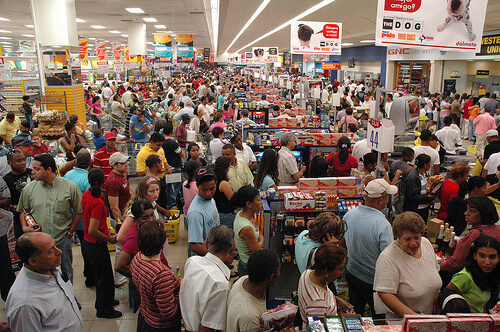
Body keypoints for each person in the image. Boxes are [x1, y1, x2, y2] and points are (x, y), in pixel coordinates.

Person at [17, 153, 83, 283]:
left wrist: (70, 233)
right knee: (42, 275)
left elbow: (79, 212)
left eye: (37, 169)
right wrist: (25, 227)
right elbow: (23, 211)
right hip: (38, 243)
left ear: (48, 169)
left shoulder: (69, 187)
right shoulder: (29, 189)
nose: (33, 172)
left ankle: (69, 300)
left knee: (66, 272)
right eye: (33, 168)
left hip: (61, 239)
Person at [6, 232, 83, 331]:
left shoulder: (49, 267)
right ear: (33, 261)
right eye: (51, 251)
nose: (59, 251)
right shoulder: (25, 304)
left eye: (55, 246)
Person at [374, 212, 442, 322]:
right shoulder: (388, 258)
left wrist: (435, 301)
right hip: (404, 320)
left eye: (416, 237)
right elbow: (385, 294)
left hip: (429, 317)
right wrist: (415, 318)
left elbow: (434, 274)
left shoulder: (426, 244)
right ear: (398, 237)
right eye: (407, 239)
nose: (414, 243)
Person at [343, 179, 396, 316]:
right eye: (387, 196)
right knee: (378, 315)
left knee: (355, 312)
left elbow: (343, 242)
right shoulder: (382, 225)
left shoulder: (350, 214)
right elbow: (388, 258)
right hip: (372, 281)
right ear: (380, 200)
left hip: (352, 272)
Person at [81, 168, 121, 318]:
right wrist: (108, 238)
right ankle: (104, 310)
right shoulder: (97, 202)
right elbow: (92, 229)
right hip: (95, 244)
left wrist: (105, 231)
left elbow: (93, 223)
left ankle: (105, 301)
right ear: (103, 182)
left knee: (103, 276)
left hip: (88, 243)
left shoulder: (86, 194)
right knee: (104, 278)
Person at [181, 225, 235, 332]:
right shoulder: (220, 284)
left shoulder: (192, 262)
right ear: (233, 247)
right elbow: (206, 327)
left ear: (206, 242)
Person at [226, 250, 294, 332]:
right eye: (278, 271)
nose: (279, 274)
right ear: (271, 277)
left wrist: (272, 324)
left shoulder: (243, 280)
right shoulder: (250, 318)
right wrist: (279, 328)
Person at [131, 221, 181, 331]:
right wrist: (180, 292)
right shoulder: (160, 274)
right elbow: (169, 312)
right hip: (162, 326)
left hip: (147, 316)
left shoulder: (137, 258)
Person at [440, 196, 500, 275]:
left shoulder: (475, 234)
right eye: (467, 209)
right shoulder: (497, 229)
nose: (466, 213)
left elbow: (454, 264)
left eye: (472, 211)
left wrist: (437, 268)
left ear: (483, 214)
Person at [445, 235, 500, 313]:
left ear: (498, 259)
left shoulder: (489, 275)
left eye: (492, 257)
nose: (487, 262)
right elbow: (444, 298)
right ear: (475, 256)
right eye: (482, 256)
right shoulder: (465, 277)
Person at [298, 243, 352, 322]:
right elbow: (319, 327)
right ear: (327, 271)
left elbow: (324, 294)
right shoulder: (317, 304)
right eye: (340, 269)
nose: (342, 272)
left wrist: (336, 300)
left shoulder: (308, 273)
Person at [187, 166, 220, 257]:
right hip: (204, 260)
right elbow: (195, 246)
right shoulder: (196, 213)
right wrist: (219, 258)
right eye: (204, 189)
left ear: (216, 184)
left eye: (212, 189)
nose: (208, 193)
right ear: (197, 185)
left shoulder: (210, 200)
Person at [231, 186, 264, 276]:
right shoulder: (246, 228)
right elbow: (256, 250)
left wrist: (258, 242)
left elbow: (259, 232)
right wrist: (260, 242)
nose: (261, 202)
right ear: (249, 204)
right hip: (248, 266)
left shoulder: (242, 215)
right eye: (258, 200)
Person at [3, 149, 33, 239]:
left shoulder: (33, 173)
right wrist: (12, 207)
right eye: (19, 161)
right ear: (9, 163)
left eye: (24, 159)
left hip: (36, 216)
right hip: (18, 221)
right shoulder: (6, 180)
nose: (23, 163)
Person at [403, 154, 437, 222]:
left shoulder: (425, 174)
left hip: (424, 208)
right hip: (416, 210)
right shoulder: (412, 178)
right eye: (429, 164)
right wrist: (428, 197)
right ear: (425, 165)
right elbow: (411, 197)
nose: (430, 165)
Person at [162, 122, 184, 208]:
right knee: (177, 188)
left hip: (165, 168)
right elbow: (181, 154)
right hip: (175, 168)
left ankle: (170, 202)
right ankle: (177, 202)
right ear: (172, 131)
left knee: (167, 187)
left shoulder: (161, 142)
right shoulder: (173, 143)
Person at [213, 156, 235, 229]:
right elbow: (233, 200)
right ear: (226, 168)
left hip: (216, 213)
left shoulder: (213, 180)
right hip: (225, 215)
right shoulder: (223, 183)